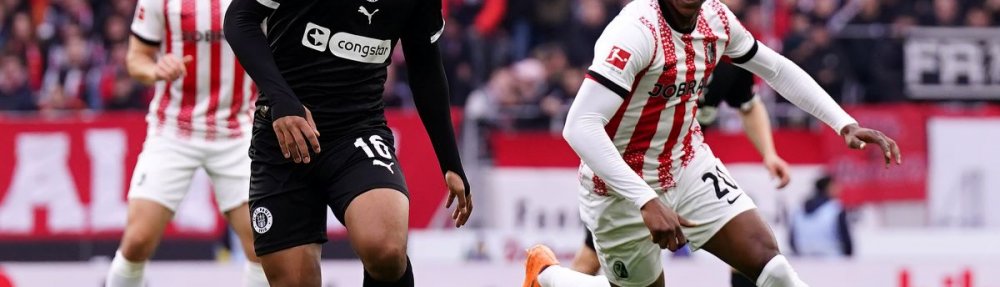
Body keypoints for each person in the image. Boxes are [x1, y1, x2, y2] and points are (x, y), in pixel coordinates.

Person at [522, 0, 902, 286]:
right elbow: (579, 126)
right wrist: (646, 199)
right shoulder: (636, 32)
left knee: (773, 266)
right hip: (619, 187)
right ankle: (548, 275)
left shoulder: (717, 20)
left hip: (687, 164)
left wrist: (843, 123)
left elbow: (775, 68)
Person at [224, 0, 474, 286]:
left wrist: (450, 163)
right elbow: (239, 19)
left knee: (386, 250)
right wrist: (282, 99)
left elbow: (426, 65)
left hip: (358, 131)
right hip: (286, 136)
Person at [566, 61, 791, 287]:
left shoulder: (729, 57)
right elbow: (586, 120)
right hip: (631, 180)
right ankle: (549, 276)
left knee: (747, 249)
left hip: (687, 176)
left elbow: (749, 104)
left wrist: (769, 153)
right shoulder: (655, 48)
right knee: (590, 261)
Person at [105, 0, 266, 286]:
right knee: (137, 242)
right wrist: (155, 69)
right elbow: (136, 58)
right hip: (173, 129)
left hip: (238, 130)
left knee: (261, 248)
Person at [789, 175, 853, 258]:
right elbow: (847, 243)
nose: (839, 189)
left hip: (804, 262)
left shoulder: (798, 209)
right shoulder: (836, 209)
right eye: (836, 186)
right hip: (833, 262)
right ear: (829, 187)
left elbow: (792, 241)